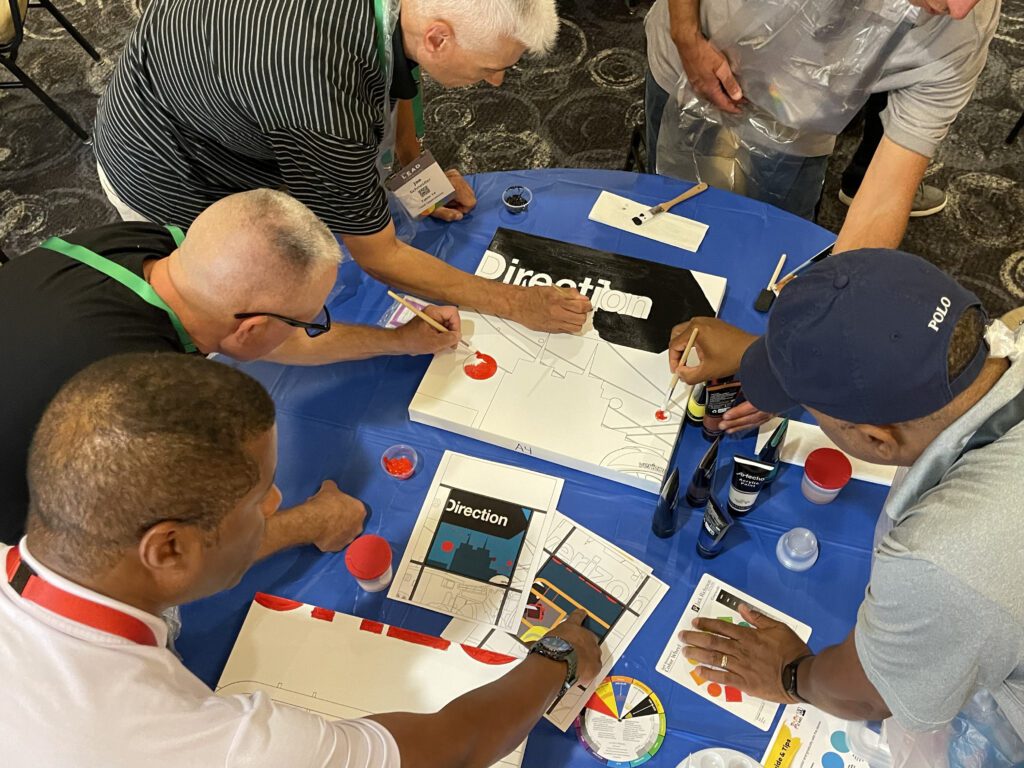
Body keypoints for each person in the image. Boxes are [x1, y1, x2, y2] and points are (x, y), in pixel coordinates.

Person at [0, 353, 601, 767]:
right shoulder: (212, 744)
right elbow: (458, 748)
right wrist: (557, 658)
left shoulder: (75, 550)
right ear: (170, 547)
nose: (278, 499)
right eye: (259, 496)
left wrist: (304, 524)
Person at [665, 249, 1024, 743]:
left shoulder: (939, 560)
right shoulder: (1004, 334)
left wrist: (792, 675)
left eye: (816, 413)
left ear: (876, 440)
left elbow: (871, 693)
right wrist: (789, 361)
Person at [93, 0, 592, 334]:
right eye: (490, 67)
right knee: (241, 315)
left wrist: (414, 171)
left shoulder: (407, 17)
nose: (500, 82)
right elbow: (378, 255)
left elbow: (396, 60)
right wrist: (514, 303)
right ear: (438, 38)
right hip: (174, 166)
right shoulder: (321, 99)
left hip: (215, 81)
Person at [0, 188, 458, 546]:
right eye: (312, 318)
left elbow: (272, 341)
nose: (316, 326)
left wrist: (400, 341)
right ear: (251, 329)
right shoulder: (150, 399)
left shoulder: (151, 247)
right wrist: (310, 522)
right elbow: (173, 556)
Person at [644, 0, 997, 247]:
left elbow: (882, 199)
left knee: (778, 245)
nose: (960, 8)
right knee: (668, 216)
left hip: (801, 125)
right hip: (692, 63)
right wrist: (685, 33)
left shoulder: (965, 30)